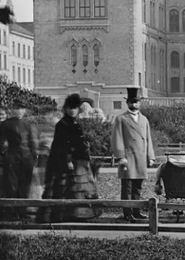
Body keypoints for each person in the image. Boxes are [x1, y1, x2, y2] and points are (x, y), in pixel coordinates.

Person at [39, 93, 101, 223]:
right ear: (66, 109)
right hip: (65, 162)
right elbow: (62, 144)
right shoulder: (63, 124)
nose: (73, 110)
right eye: (70, 108)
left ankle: (78, 214)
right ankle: (63, 215)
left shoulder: (74, 123)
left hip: (78, 161)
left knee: (77, 188)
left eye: (75, 108)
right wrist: (68, 160)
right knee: (65, 187)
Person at [110, 86, 156, 222]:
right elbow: (116, 138)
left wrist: (150, 156)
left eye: (136, 102)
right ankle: (127, 212)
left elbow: (148, 139)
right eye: (131, 102)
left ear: (140, 103)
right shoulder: (121, 119)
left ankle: (137, 211)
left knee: (138, 187)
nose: (134, 104)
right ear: (127, 103)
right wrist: (121, 156)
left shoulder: (144, 119)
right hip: (128, 158)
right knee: (127, 187)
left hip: (141, 158)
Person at [0, 98, 38, 221]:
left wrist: (33, 156)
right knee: (11, 186)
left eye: (22, 109)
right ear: (12, 110)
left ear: (24, 111)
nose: (19, 111)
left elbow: (32, 142)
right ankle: (12, 212)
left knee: (25, 186)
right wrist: (5, 154)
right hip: (12, 158)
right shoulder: (5, 124)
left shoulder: (28, 125)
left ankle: (22, 211)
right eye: (17, 108)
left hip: (26, 158)